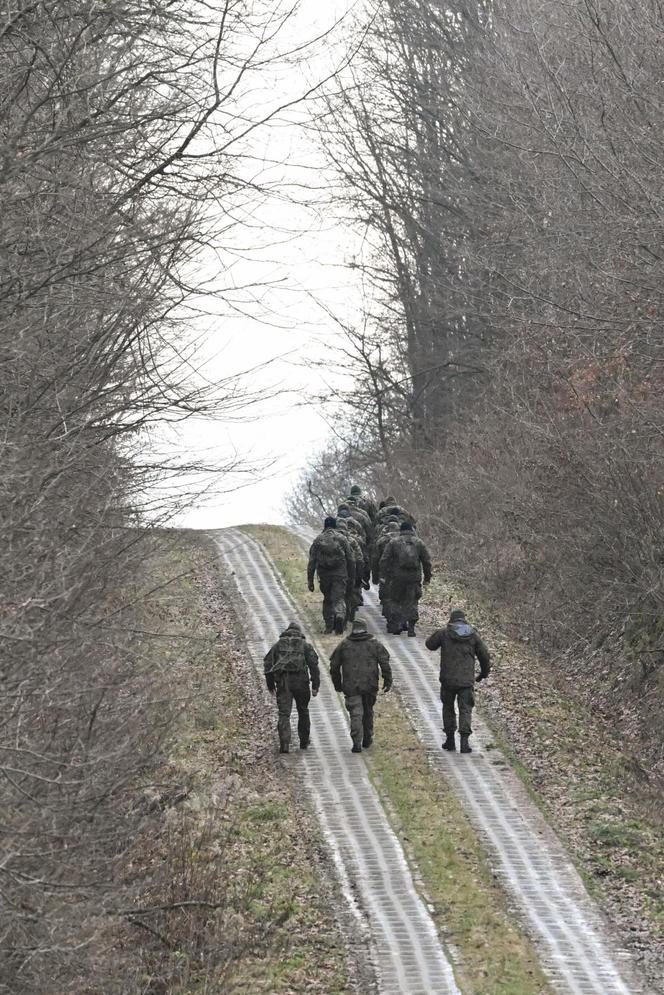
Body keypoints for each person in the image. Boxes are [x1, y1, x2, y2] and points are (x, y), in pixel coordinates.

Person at [425, 609, 491, 754]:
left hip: (448, 680)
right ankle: (464, 743)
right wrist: (483, 674)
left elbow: (429, 645)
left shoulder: (444, 633)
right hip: (466, 681)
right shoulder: (473, 636)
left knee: (448, 708)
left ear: (451, 620)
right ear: (464, 620)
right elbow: (485, 657)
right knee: (465, 709)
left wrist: (441, 633)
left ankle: (450, 740)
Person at [330, 617, 392, 752]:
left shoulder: (344, 644)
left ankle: (356, 742)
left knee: (356, 713)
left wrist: (337, 684)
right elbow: (385, 663)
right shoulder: (374, 644)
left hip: (351, 686)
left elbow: (334, 666)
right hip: (370, 685)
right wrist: (387, 679)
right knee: (368, 711)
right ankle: (367, 738)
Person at [264, 622, 320, 753]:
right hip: (301, 682)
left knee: (284, 713)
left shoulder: (278, 645)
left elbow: (267, 664)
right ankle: (304, 741)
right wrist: (315, 685)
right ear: (299, 632)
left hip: (284, 683)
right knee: (303, 711)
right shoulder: (305, 645)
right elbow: (314, 666)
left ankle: (284, 744)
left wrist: (270, 684)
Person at [379, 521, 432, 636]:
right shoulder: (419, 543)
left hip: (397, 577)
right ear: (412, 530)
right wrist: (427, 578)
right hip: (414, 578)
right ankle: (411, 628)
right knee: (412, 602)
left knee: (395, 600)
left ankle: (397, 624)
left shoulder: (394, 542)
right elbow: (427, 562)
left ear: (401, 530)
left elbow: (384, 559)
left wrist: (383, 575)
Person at [307, 517, 354, 634]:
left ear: (324, 526)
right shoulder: (341, 539)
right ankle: (339, 615)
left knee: (327, 599)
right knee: (338, 598)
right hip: (340, 574)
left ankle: (329, 626)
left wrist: (310, 581)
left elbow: (312, 561)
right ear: (335, 526)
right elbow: (351, 559)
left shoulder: (318, 540)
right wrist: (352, 576)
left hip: (324, 575)